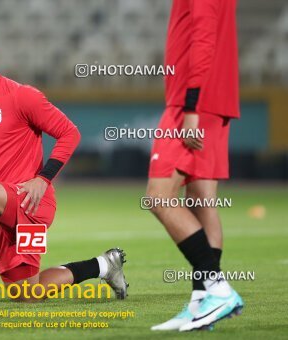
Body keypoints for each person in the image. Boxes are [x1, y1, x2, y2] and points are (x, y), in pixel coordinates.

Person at [0, 24, 128, 311]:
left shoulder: (21, 96)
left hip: (31, 200)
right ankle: (103, 265)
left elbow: (69, 133)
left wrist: (43, 179)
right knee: (27, 292)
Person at [148, 0, 243, 332]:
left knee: (159, 197)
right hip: (215, 100)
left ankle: (218, 289)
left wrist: (190, 106)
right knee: (202, 200)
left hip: (193, 104)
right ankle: (202, 304)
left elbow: (203, 37)